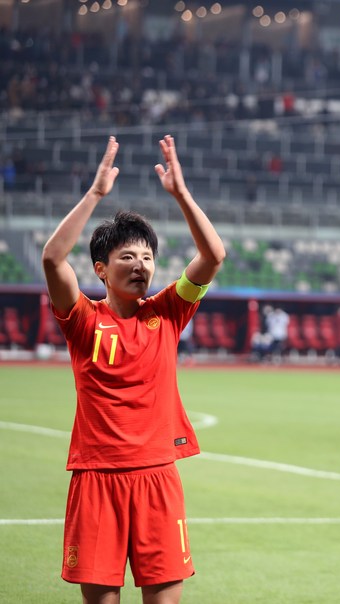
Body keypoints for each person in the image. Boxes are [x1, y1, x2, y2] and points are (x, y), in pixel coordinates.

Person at [41, 135, 226, 603]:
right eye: (127, 256)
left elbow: (213, 256)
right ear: (102, 269)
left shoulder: (167, 312)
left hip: (158, 476)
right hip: (97, 478)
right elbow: (52, 258)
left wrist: (181, 195)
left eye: (147, 257)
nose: (141, 264)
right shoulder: (84, 321)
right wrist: (96, 193)